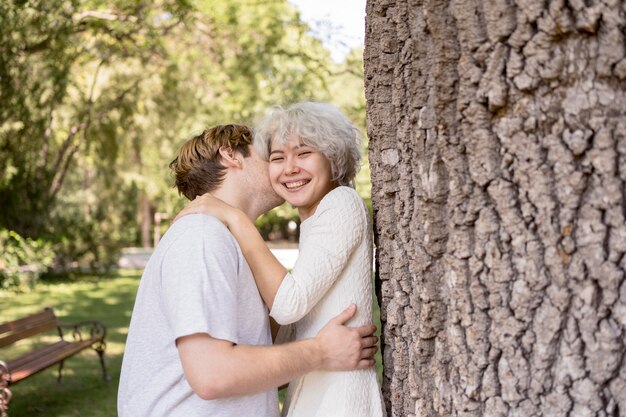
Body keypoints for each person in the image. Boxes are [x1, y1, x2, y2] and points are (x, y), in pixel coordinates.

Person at [117, 124, 378, 417]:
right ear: (231, 155)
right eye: (272, 153)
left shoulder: (232, 242)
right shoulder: (203, 237)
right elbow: (213, 374)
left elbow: (258, 367)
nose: (283, 165)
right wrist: (322, 352)